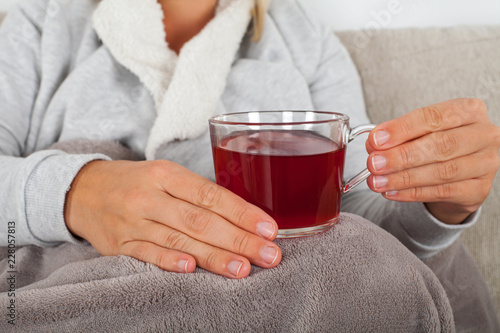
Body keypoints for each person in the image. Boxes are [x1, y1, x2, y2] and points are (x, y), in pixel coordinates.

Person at [0, 0, 499, 329]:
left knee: (375, 257)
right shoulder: (43, 19)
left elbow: (358, 218)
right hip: (82, 274)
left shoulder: (303, 38)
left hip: (275, 272)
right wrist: (76, 192)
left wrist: (437, 205)